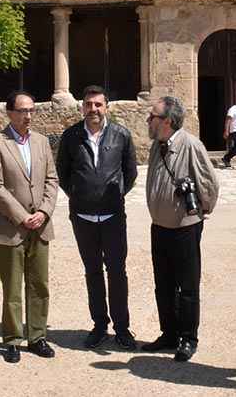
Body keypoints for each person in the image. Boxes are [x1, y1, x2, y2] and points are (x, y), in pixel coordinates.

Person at [56, 85, 138, 350]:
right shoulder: (71, 136)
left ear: (106, 107)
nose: (93, 109)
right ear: (82, 107)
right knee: (92, 272)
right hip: (83, 218)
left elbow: (130, 173)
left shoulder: (121, 135)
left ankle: (122, 328)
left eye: (98, 104)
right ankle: (100, 325)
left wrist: (114, 195)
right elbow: (63, 173)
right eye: (88, 104)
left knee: (117, 272)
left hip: (113, 217)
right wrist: (80, 194)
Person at [0, 91, 59, 363]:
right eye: (23, 111)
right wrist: (21, 216)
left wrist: (44, 211)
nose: (28, 116)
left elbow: (52, 179)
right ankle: (13, 339)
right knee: (13, 287)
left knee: (40, 285)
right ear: (10, 113)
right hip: (10, 227)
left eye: (31, 110)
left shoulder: (41, 141)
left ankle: (37, 336)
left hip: (40, 225)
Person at [143, 96, 220, 362]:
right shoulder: (157, 145)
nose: (148, 120)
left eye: (152, 116)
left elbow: (209, 182)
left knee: (187, 286)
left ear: (166, 121)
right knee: (163, 285)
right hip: (159, 225)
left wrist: (201, 211)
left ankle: (188, 338)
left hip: (184, 227)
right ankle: (169, 333)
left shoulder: (190, 145)